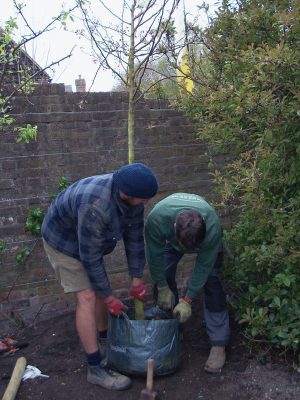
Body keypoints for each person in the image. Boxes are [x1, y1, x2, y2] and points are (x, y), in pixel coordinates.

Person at [41, 163, 158, 391]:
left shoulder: (131, 193)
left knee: (100, 291)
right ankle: (95, 368)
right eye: (144, 200)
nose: (147, 203)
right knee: (87, 295)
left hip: (86, 239)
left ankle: (105, 340)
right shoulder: (97, 207)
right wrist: (109, 298)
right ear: (125, 194)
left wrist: (136, 278)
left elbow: (134, 236)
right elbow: (90, 259)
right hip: (64, 242)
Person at [145, 193, 230, 373]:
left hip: (205, 239)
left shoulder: (212, 227)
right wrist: (161, 286)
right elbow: (154, 257)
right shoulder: (157, 219)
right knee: (165, 274)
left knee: (212, 282)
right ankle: (172, 331)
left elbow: (203, 268)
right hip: (171, 238)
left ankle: (219, 343)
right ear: (174, 226)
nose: (188, 252)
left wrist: (187, 300)